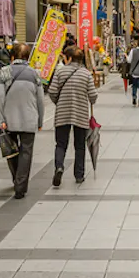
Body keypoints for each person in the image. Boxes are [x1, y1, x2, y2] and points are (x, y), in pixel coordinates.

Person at [0, 43, 46, 199]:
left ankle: (16, 178)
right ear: (27, 57)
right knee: (26, 152)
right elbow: (40, 100)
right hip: (29, 120)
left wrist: (0, 119)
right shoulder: (35, 74)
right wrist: (40, 121)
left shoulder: (4, 72)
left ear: (12, 57)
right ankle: (20, 186)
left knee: (11, 151)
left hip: (9, 120)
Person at [48, 46, 98, 187]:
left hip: (62, 114)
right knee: (80, 145)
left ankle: (59, 167)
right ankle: (79, 175)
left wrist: (59, 101)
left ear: (69, 58)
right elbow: (93, 95)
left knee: (61, 144)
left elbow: (52, 91)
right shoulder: (86, 74)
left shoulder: (60, 72)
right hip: (80, 114)